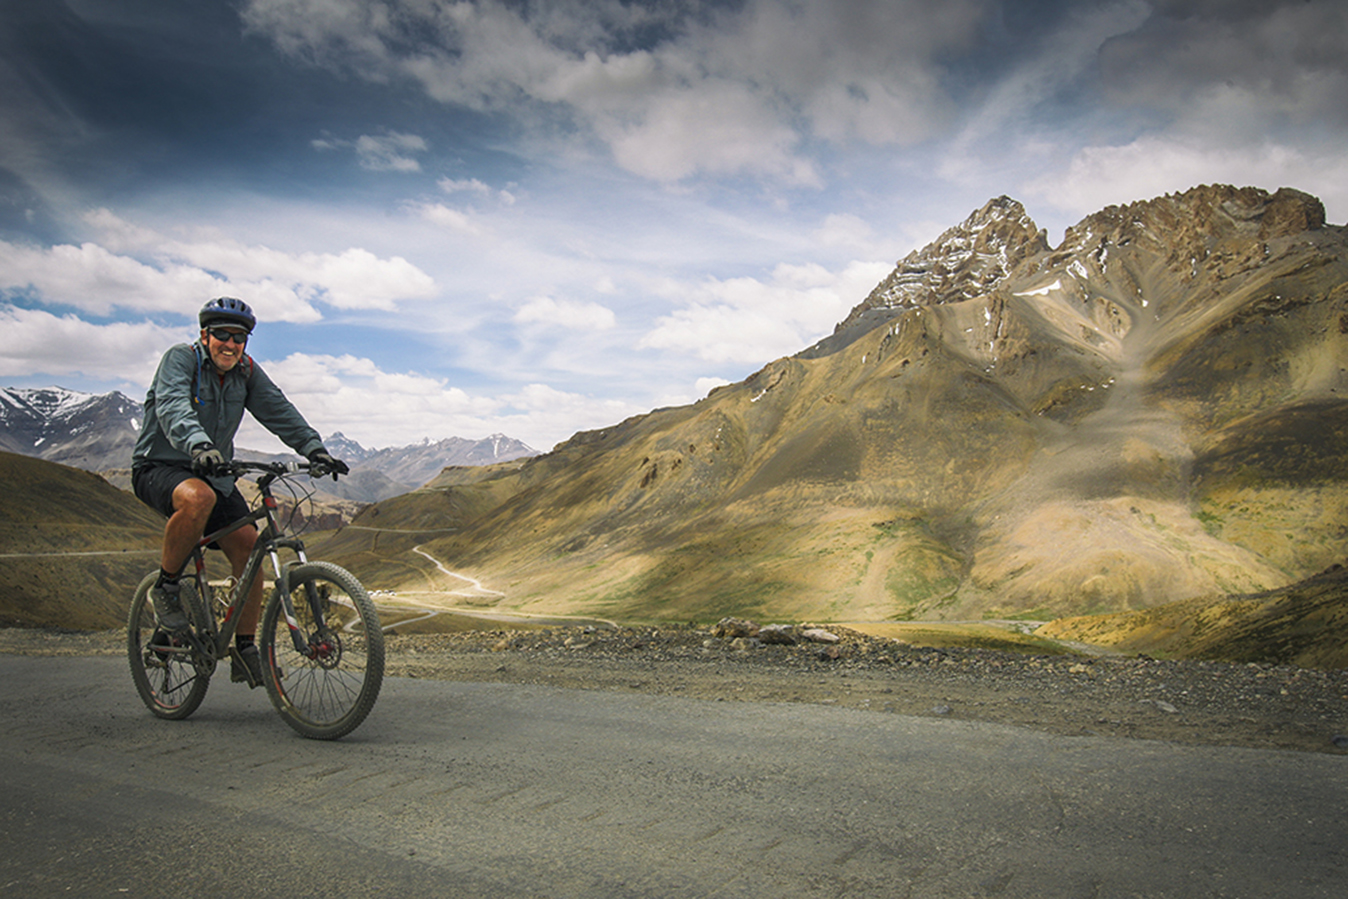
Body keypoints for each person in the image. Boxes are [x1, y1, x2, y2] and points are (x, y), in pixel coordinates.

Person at [131, 297, 349, 687]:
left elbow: (278, 410)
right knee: (198, 498)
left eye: (239, 338)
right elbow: (172, 407)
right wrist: (198, 445)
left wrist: (315, 449)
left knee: (249, 546)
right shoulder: (180, 360)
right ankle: (166, 588)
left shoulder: (246, 372)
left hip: (213, 471)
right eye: (221, 335)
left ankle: (246, 649)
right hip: (161, 465)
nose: (230, 344)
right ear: (205, 335)